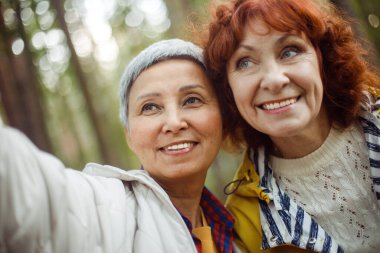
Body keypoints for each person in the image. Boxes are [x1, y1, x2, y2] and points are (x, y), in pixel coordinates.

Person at [0, 39, 234, 253]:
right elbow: (27, 187)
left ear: (222, 120)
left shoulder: (241, 232)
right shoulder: (104, 210)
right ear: (129, 136)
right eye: (150, 107)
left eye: (192, 100)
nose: (173, 123)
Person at [202, 0, 380, 252]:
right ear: (228, 91)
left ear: (323, 59)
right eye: (245, 62)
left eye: (290, 51)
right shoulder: (243, 220)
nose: (274, 80)